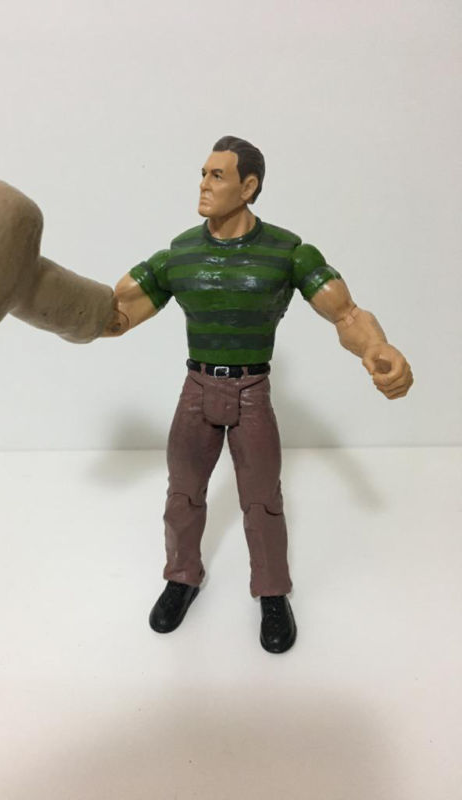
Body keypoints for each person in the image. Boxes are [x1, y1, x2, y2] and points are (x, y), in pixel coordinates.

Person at [102, 135, 413, 653]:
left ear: (248, 187)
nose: (203, 185)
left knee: (263, 500)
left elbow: (346, 313)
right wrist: (59, 307)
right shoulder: (180, 254)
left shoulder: (288, 252)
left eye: (216, 175)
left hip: (251, 389)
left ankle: (271, 591)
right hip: (197, 387)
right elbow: (116, 312)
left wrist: (377, 349)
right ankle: (181, 577)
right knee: (183, 493)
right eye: (202, 173)